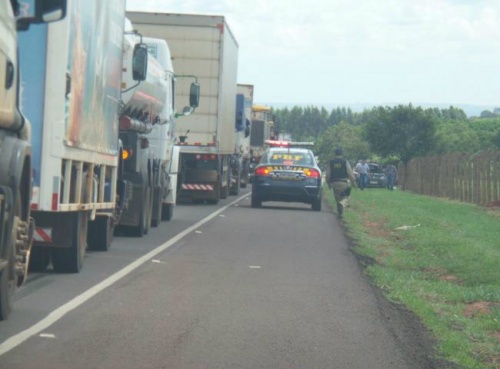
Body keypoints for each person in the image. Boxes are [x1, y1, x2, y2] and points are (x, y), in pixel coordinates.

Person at [326, 148, 357, 218]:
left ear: (335, 153)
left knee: (337, 198)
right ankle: (342, 210)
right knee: (344, 197)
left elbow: (328, 174)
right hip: (343, 183)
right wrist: (353, 182)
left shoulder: (331, 162)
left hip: (335, 183)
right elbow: (350, 172)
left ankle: (340, 211)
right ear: (342, 153)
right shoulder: (345, 161)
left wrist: (328, 183)